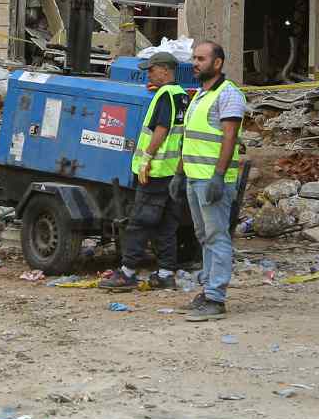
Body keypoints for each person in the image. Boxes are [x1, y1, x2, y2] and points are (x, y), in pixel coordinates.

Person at [170, 40, 246, 321]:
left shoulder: (229, 95)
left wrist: (218, 176)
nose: (195, 63)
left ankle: (216, 298)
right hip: (194, 178)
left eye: (201, 58)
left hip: (212, 181)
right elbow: (189, 138)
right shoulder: (200, 96)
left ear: (218, 63)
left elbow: (229, 137)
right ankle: (208, 291)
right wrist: (179, 173)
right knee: (204, 237)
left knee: (217, 237)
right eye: (194, 58)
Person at [100, 52, 188, 292]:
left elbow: (161, 129)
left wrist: (147, 157)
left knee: (139, 222)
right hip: (172, 173)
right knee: (167, 225)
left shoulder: (165, 95)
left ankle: (127, 272)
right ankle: (166, 274)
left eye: (151, 70)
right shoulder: (181, 96)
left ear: (165, 71)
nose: (148, 74)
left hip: (156, 171)